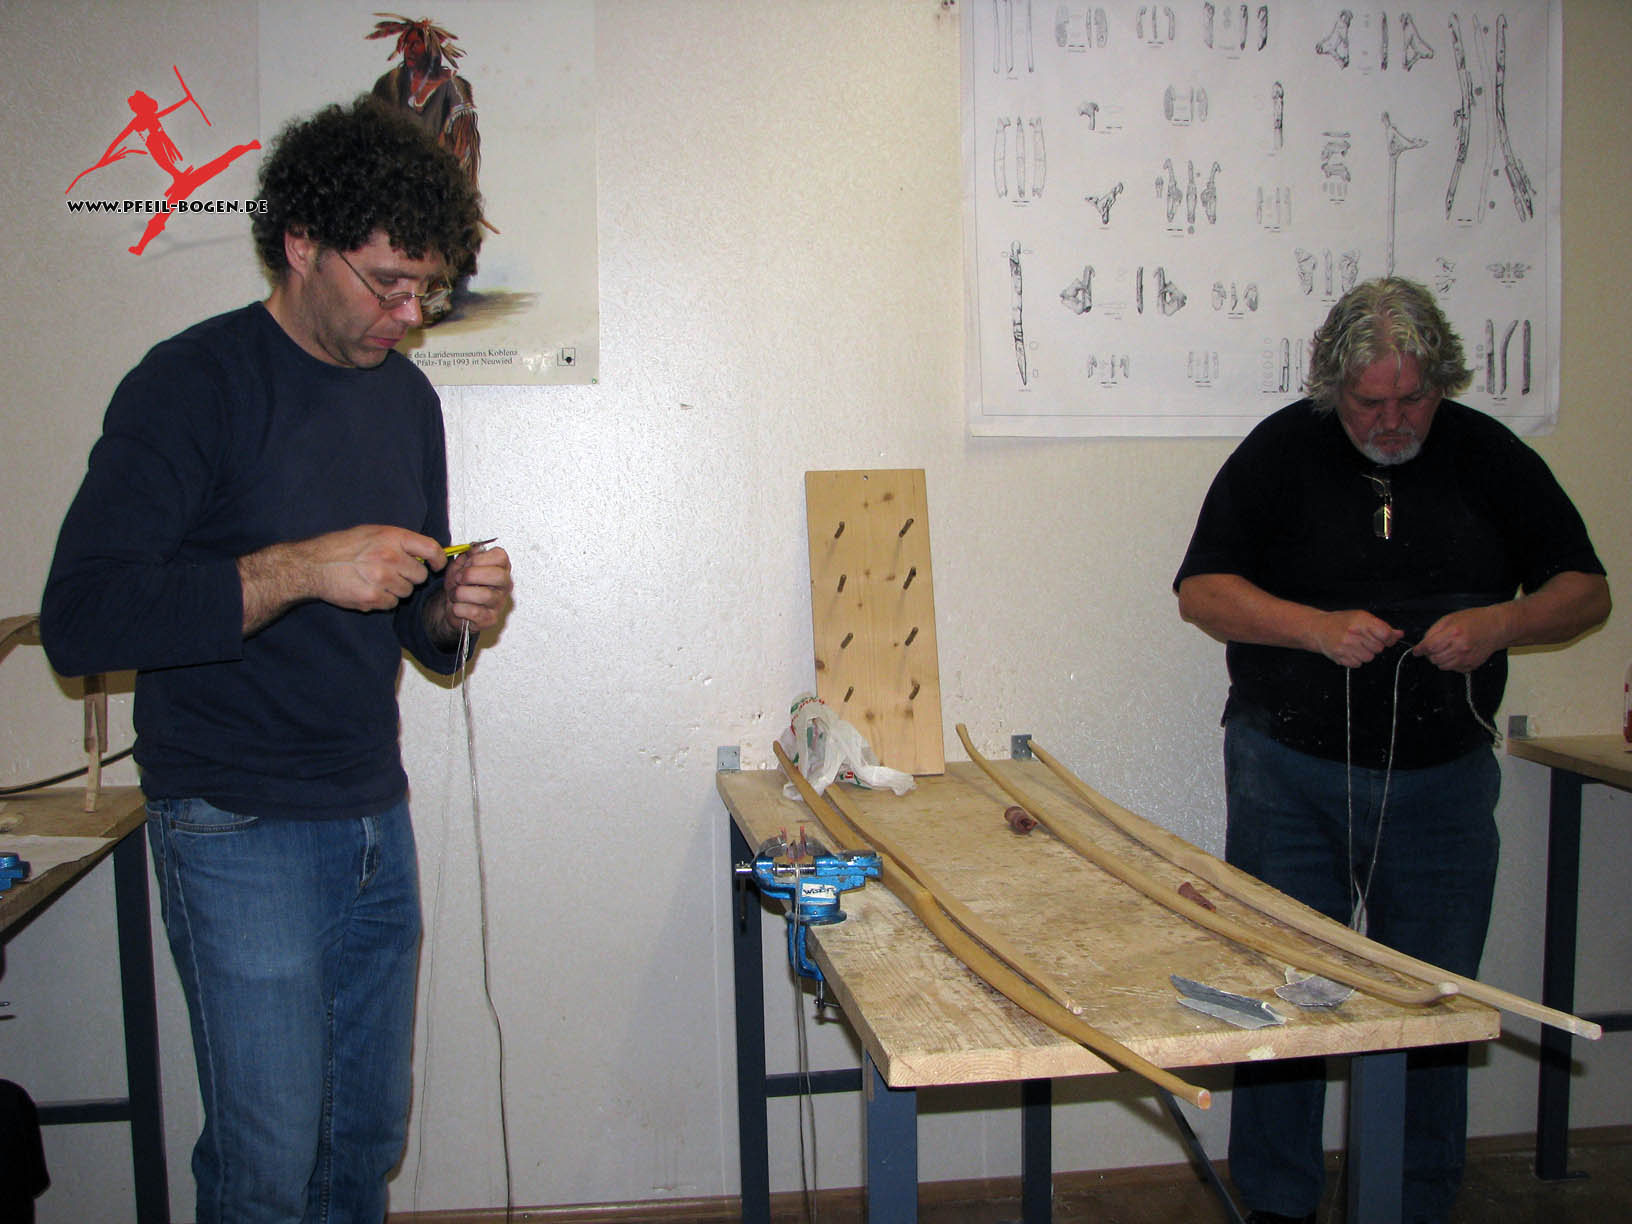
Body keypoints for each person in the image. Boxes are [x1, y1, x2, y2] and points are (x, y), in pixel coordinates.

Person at [40, 98, 513, 1224]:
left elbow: (415, 632)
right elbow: (83, 620)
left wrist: (454, 609)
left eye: (427, 290)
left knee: (362, 1143)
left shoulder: (406, 400)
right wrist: (300, 569)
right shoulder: (190, 385)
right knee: (267, 1164)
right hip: (234, 823)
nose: (408, 315)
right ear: (302, 242)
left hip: (372, 815)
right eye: (387, 283)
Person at [1174, 277, 1609, 1224]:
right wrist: (1313, 628)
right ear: (1334, 386)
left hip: (1443, 782)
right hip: (1288, 770)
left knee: (1431, 1007)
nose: (1393, 421)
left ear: (1440, 383)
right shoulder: (1282, 450)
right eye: (1370, 402)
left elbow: (1587, 590)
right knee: (1287, 1000)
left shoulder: (1488, 455)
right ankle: (1279, 1203)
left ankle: (1412, 1201)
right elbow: (1202, 592)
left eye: (1414, 399)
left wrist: (1502, 623)